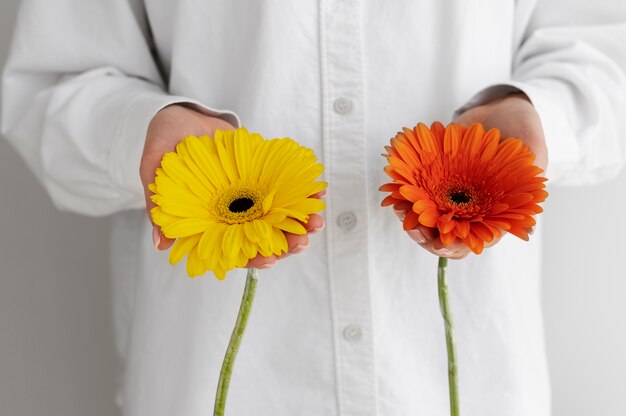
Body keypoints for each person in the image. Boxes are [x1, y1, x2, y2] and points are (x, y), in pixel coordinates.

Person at [2, 1, 625, 415]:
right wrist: (144, 134)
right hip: (224, 379)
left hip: (460, 381)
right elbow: (58, 83)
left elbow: (605, 53)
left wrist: (535, 118)